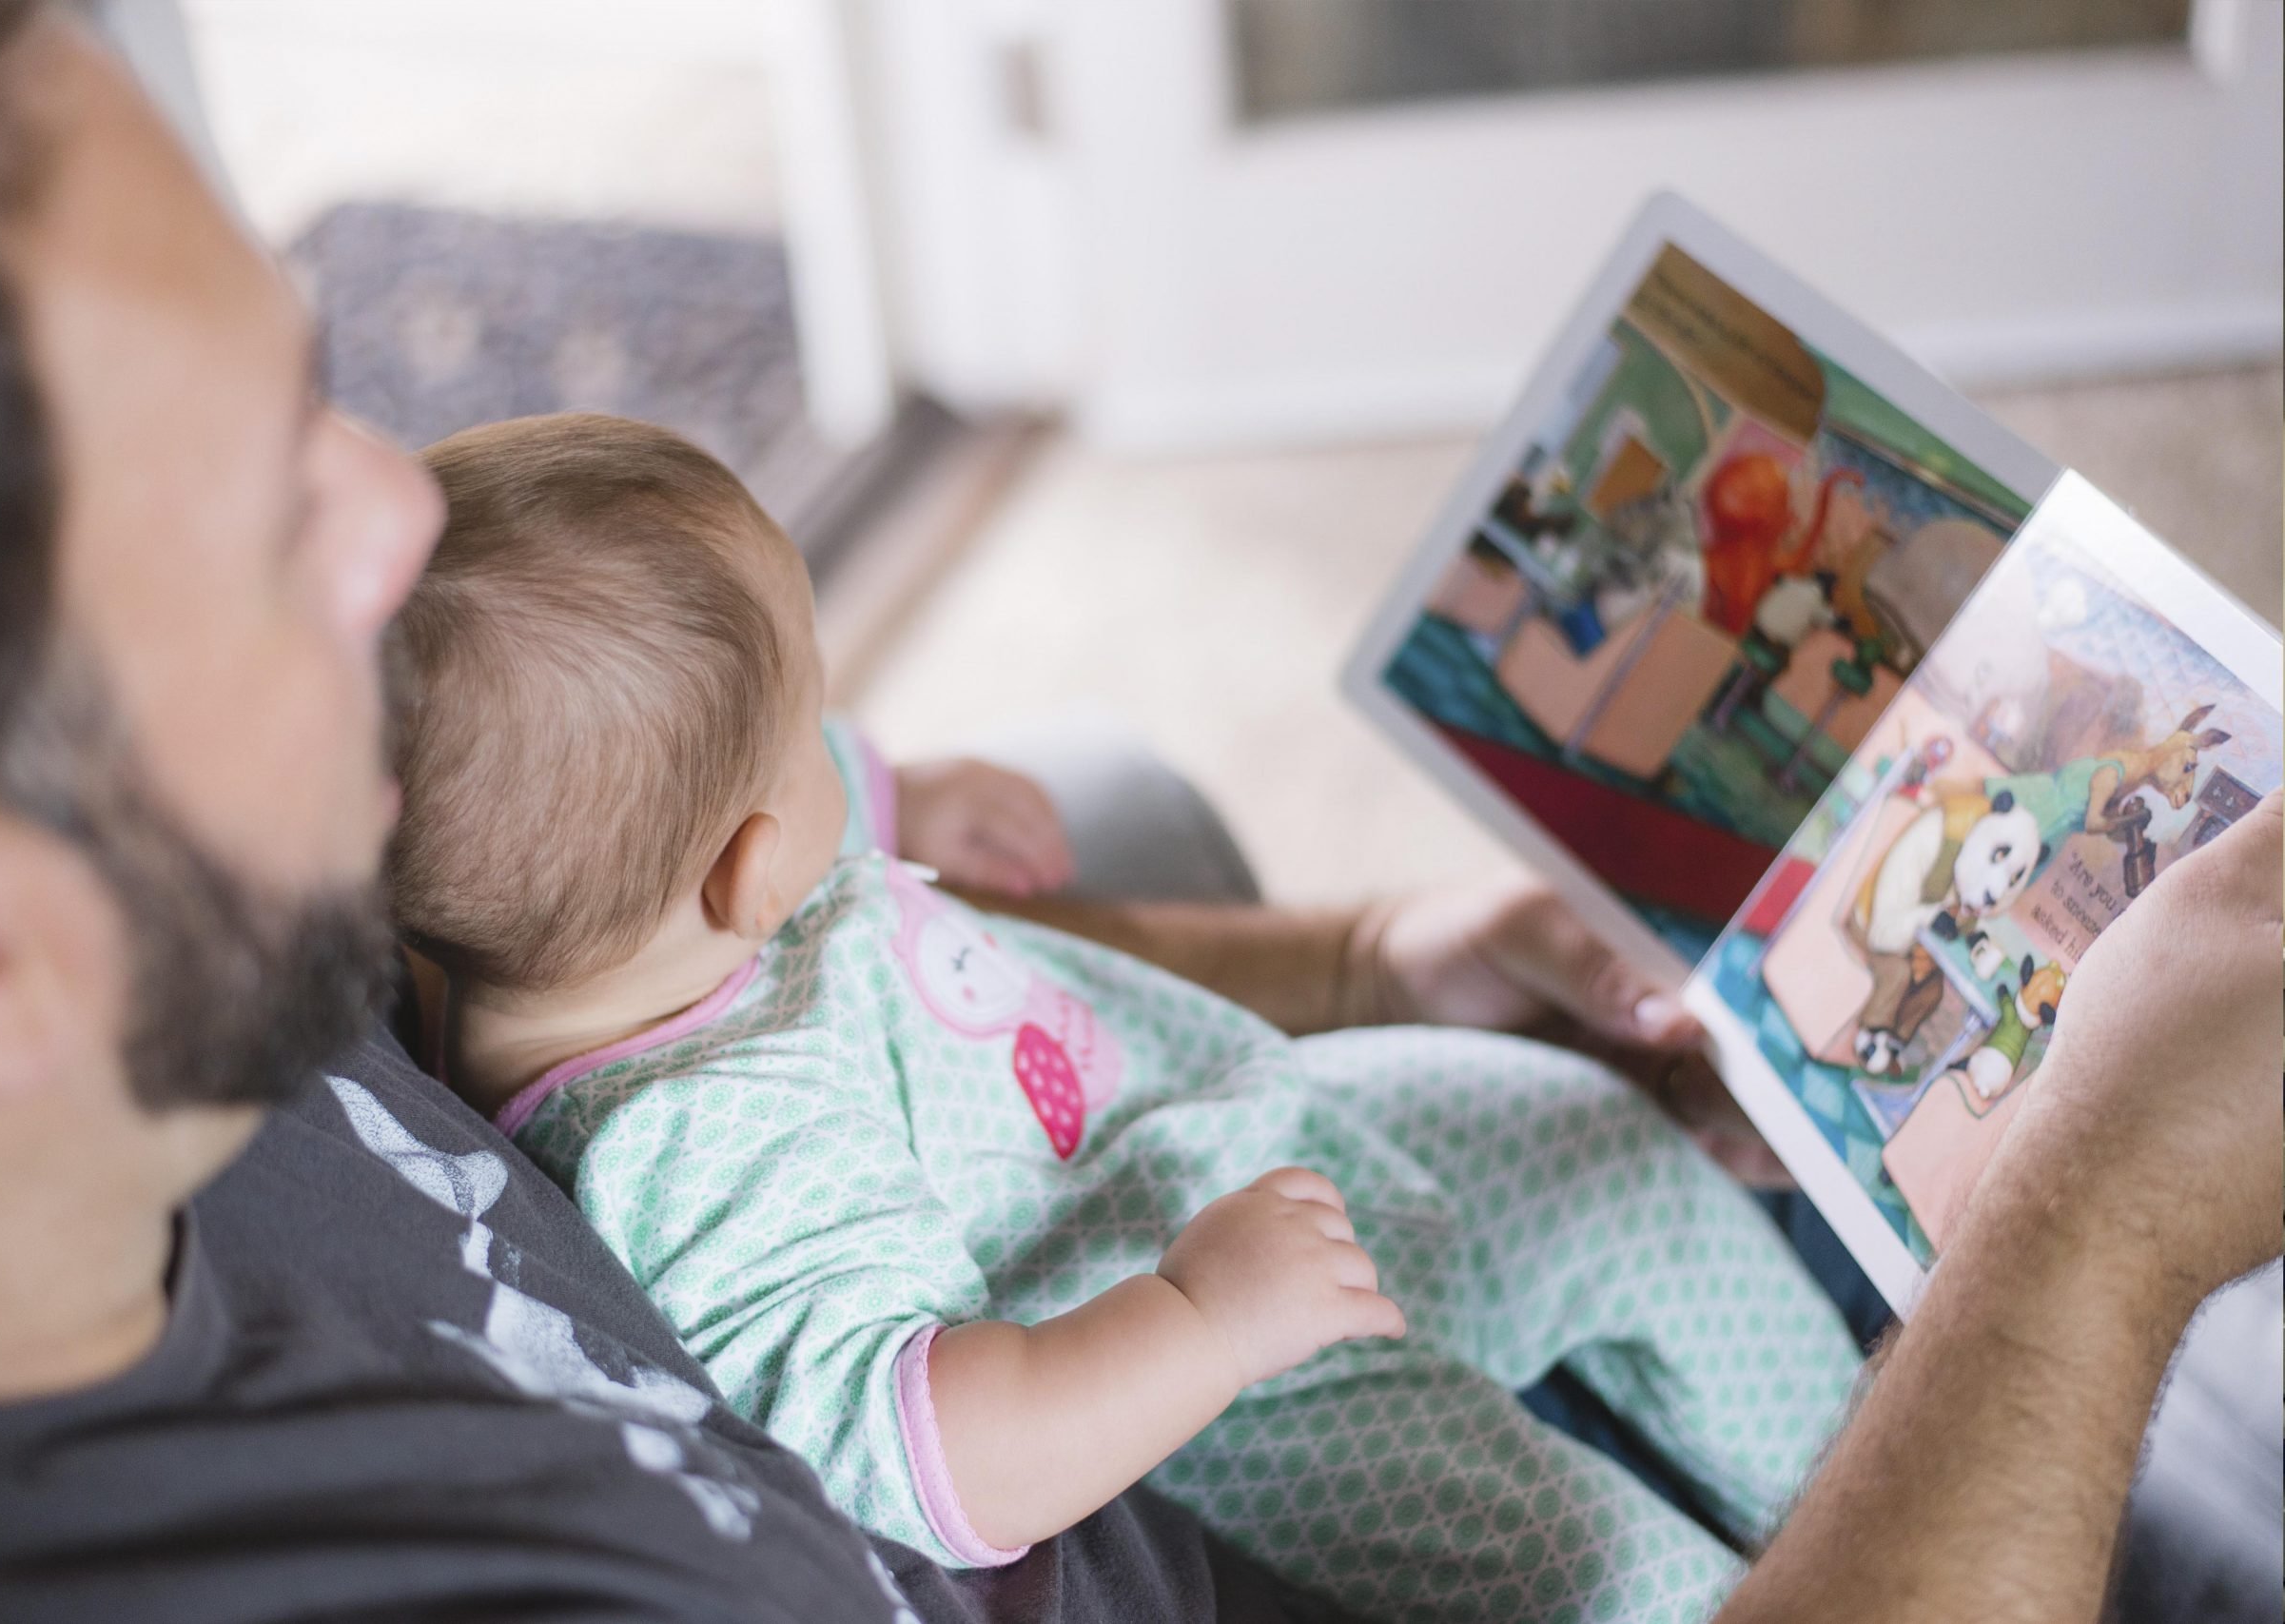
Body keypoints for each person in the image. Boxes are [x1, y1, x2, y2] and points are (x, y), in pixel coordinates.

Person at [0, 5, 2274, 1621]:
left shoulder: (259, 894)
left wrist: (1350, 956)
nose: (397, 514)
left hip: (1264, 1174)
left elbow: (821, 948)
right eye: (272, 516)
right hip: (1355, 1447)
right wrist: (2094, 1231)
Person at [386, 410, 1860, 1620]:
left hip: (1240, 1122)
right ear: (751, 870)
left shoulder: (615, 915)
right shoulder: (706, 1147)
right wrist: (1202, 1322)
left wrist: (899, 790)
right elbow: (930, 1453)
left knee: (1598, 1138)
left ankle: (1865, 1481)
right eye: (814, 727)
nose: (839, 744)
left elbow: (738, 786)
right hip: (1246, 1381)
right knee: (1611, 1583)